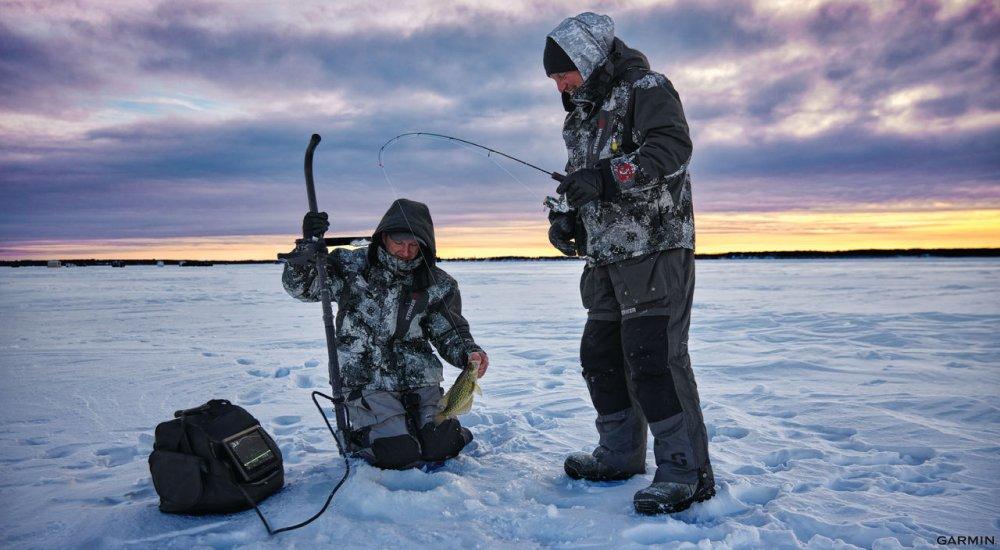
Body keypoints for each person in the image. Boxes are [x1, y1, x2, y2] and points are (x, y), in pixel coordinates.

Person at [543, 12, 714, 514]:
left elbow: (672, 148)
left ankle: (686, 471)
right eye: (554, 77)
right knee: (600, 355)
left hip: (656, 248)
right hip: (604, 258)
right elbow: (583, 178)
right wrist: (568, 218)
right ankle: (619, 455)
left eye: (563, 72)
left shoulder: (647, 87)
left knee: (654, 358)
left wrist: (607, 177)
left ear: (589, 58)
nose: (559, 83)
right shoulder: (580, 115)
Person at [282, 198, 488, 470]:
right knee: (398, 453)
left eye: (414, 245)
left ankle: (428, 430)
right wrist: (307, 247)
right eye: (399, 243)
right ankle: (364, 437)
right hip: (366, 379)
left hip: (419, 377)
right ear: (384, 237)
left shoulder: (437, 282)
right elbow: (302, 288)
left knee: (442, 445)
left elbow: (449, 330)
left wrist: (468, 352)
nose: (406, 251)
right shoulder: (350, 265)